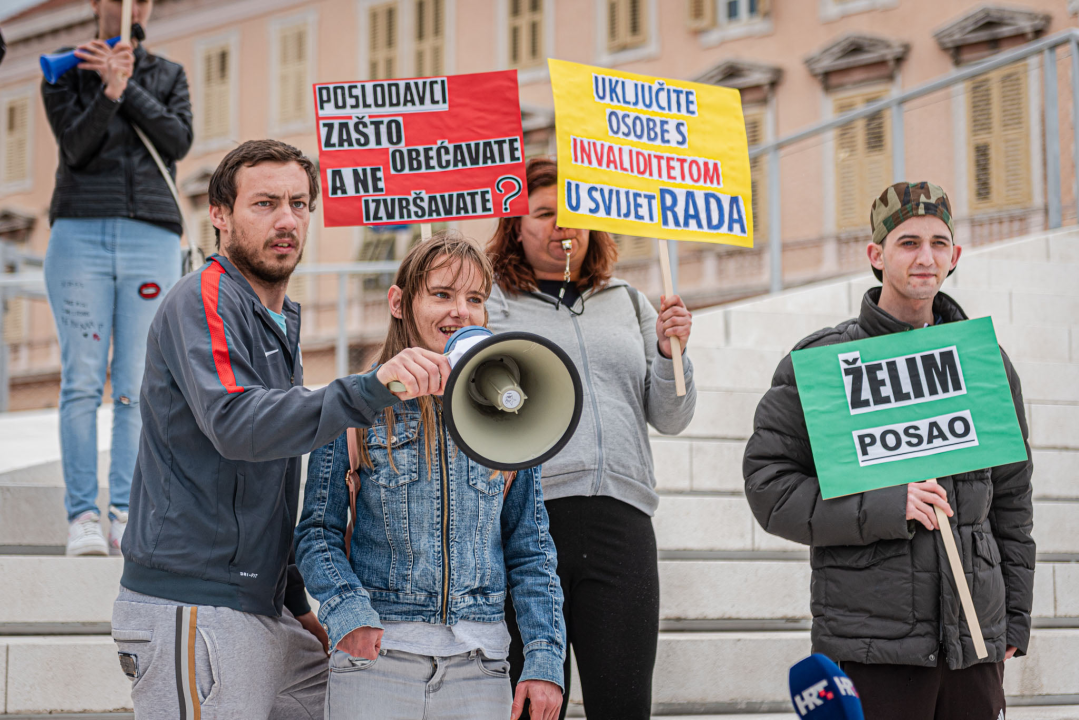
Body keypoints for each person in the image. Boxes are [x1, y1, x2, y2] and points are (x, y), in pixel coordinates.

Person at [112, 139, 452, 719]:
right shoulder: (205, 298)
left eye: (299, 203)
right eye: (265, 204)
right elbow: (237, 424)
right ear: (219, 215)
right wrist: (369, 388)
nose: (287, 220)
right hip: (194, 601)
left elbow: (269, 474)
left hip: (262, 605)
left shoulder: (278, 314)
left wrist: (294, 600)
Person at [743, 182, 1035, 720]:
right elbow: (770, 489)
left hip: (972, 639)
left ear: (956, 256)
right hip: (870, 646)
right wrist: (886, 505)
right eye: (908, 243)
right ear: (876, 255)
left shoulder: (984, 363)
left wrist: (1014, 615)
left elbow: (1013, 499)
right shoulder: (826, 363)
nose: (926, 257)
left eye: (939, 243)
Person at [295, 232, 567, 720]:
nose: (460, 311)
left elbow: (531, 547)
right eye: (441, 294)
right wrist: (347, 612)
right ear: (399, 302)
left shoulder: (511, 415)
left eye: (475, 298)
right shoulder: (354, 406)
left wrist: (545, 659)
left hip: (480, 665)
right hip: (375, 663)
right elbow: (317, 532)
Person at [485, 157, 696, 720]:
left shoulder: (628, 300)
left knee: (624, 708)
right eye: (546, 212)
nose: (563, 225)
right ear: (515, 225)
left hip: (621, 527)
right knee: (528, 708)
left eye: (575, 211)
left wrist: (672, 352)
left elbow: (670, 417)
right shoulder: (491, 304)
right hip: (526, 527)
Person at [41, 0, 192, 556]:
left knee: (134, 384)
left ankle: (125, 511)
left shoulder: (167, 74)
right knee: (82, 378)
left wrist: (128, 85)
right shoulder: (63, 71)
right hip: (78, 233)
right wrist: (105, 90)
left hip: (150, 235)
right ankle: (81, 513)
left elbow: (177, 142)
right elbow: (75, 148)